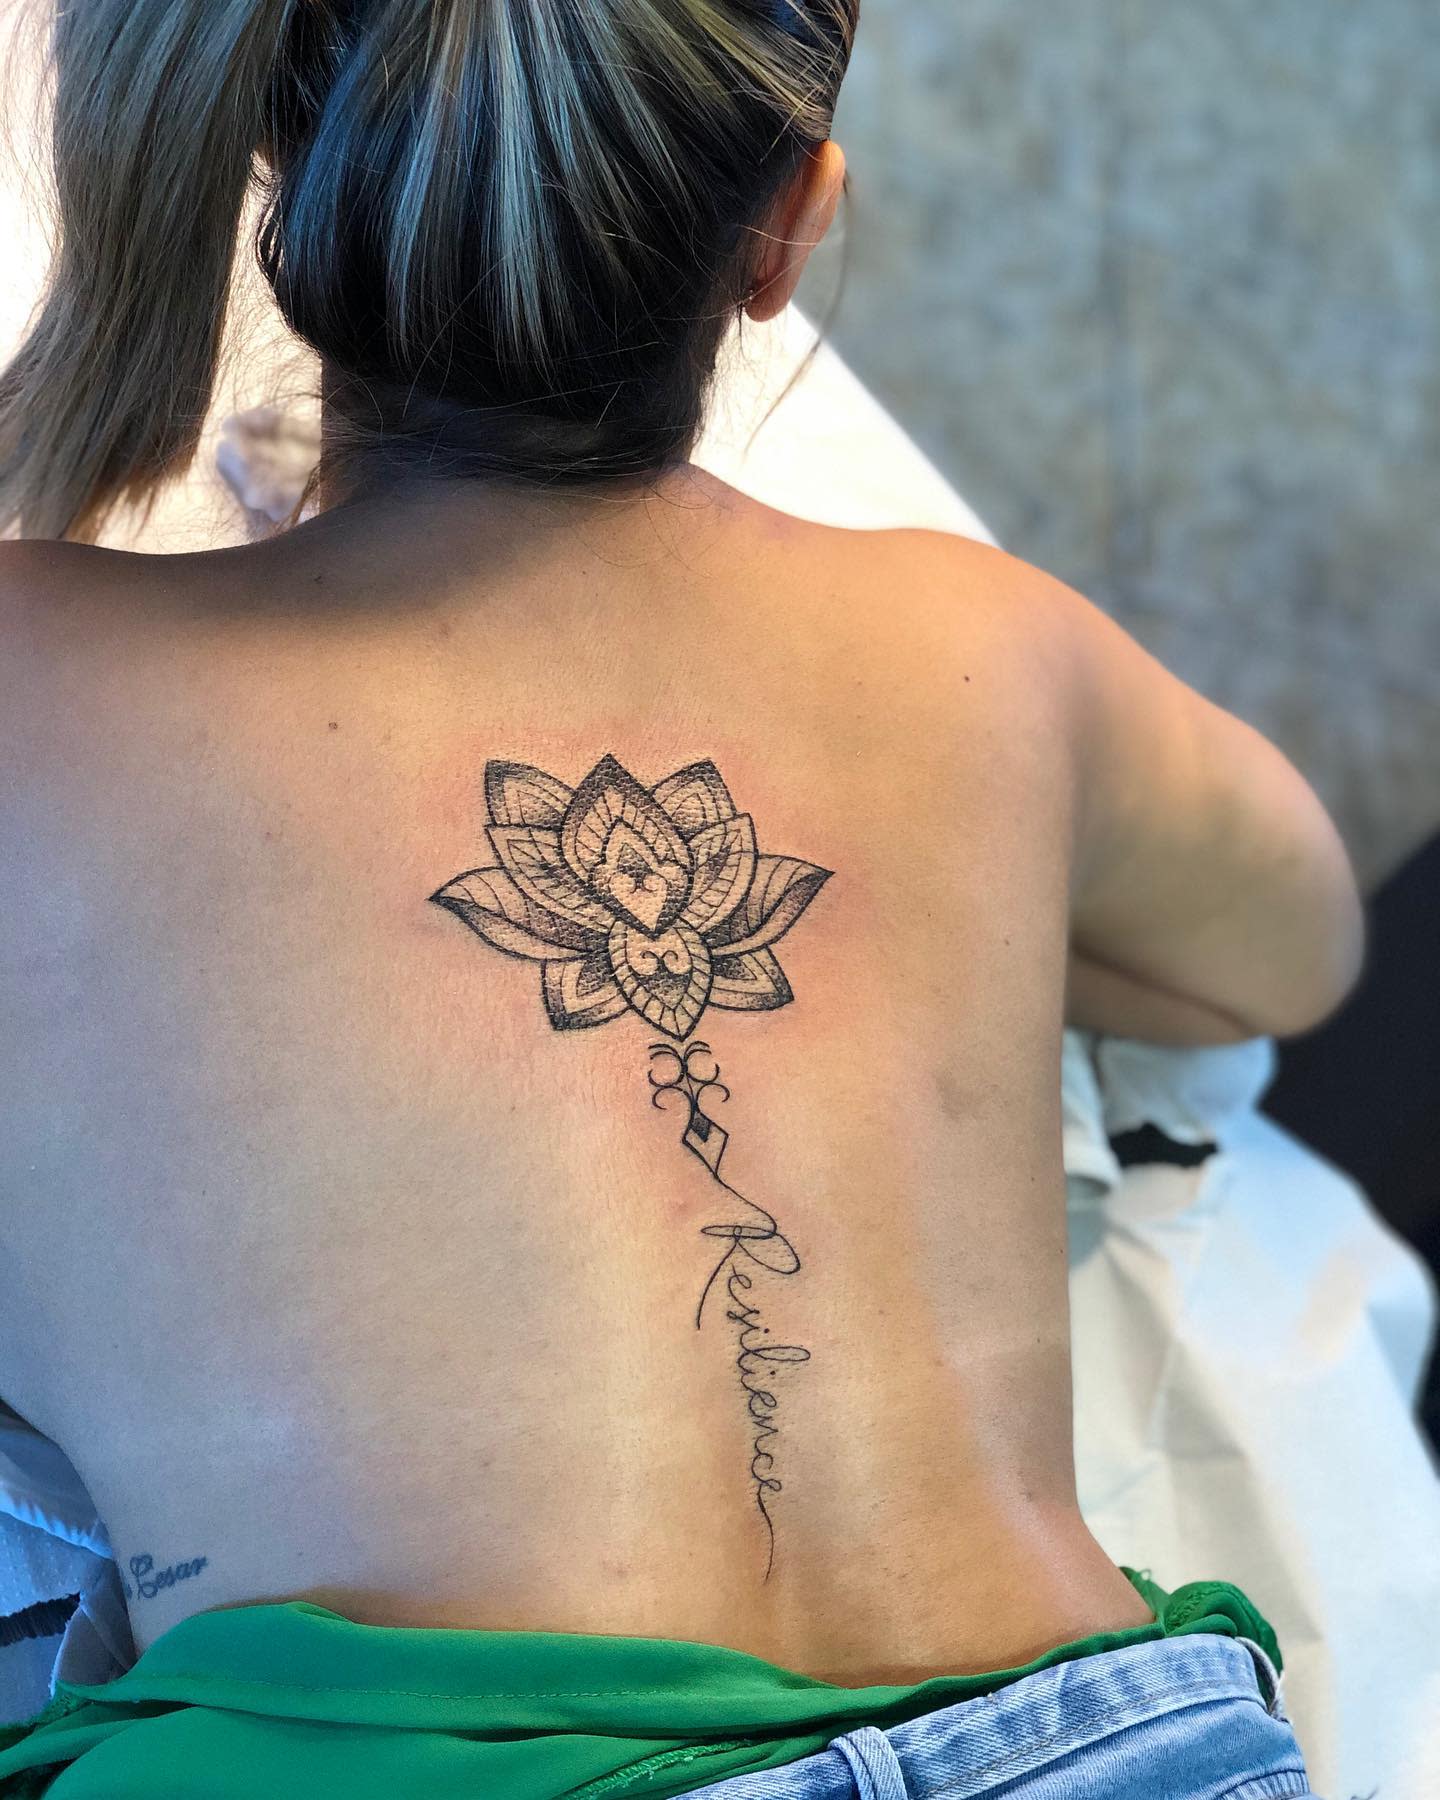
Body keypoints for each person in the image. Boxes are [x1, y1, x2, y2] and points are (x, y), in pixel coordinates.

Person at [0, 1, 1362, 1795]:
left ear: (261, 159)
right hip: (1108, 1743)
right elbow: (1288, 950)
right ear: (788, 226)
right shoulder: (982, 652)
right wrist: (980, 882)